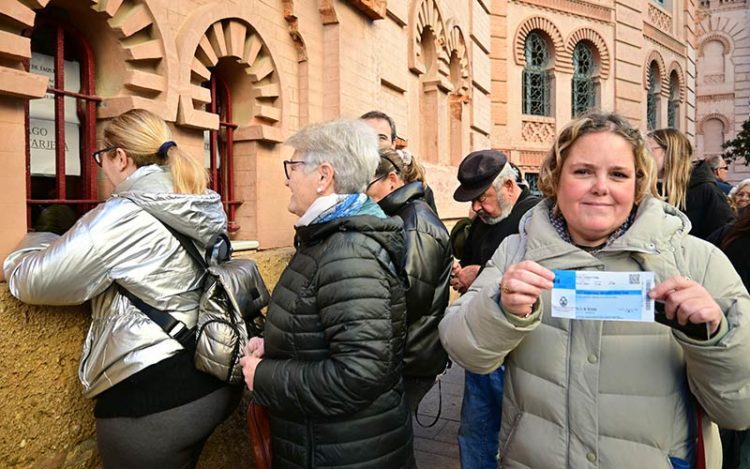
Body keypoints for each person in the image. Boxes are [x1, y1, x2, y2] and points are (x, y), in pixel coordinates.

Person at [440, 112, 750, 468]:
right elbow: (464, 350)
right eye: (583, 171)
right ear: (556, 179)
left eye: (618, 174)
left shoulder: (696, 262)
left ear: (638, 184)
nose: (600, 186)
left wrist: (713, 338)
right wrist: (501, 312)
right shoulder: (516, 251)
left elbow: (738, 411)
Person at [3, 109, 240, 468]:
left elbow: (32, 281)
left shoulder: (123, 215)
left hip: (154, 397)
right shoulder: (197, 197)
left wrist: (35, 240)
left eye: (101, 157)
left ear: (121, 157)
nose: (100, 167)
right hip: (211, 374)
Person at [239, 119, 415, 468]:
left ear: (323, 176)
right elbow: (320, 329)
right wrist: (273, 347)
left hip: (344, 452)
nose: (286, 178)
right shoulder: (328, 238)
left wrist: (264, 376)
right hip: (330, 446)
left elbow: (359, 373)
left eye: (293, 167)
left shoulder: (348, 251)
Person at [449, 149, 540, 469]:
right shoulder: (487, 216)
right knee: (476, 431)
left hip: (518, 352)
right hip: (482, 342)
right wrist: (466, 275)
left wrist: (482, 273)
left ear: (510, 187)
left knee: (518, 437)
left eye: (482, 198)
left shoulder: (537, 218)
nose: (475, 207)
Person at [365, 147, 452, 410]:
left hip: (410, 359)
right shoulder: (402, 216)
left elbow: (411, 297)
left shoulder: (414, 223)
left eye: (368, 184)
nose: (364, 193)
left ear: (392, 179)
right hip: (406, 355)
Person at [647, 128, 733, 239]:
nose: (643, 154)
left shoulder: (705, 189)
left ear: (670, 152)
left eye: (649, 149)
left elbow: (724, 236)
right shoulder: (644, 187)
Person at [361, 110, 439, 214]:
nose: (374, 143)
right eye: (367, 137)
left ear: (393, 143)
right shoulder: (343, 181)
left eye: (381, 138)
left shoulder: (416, 186)